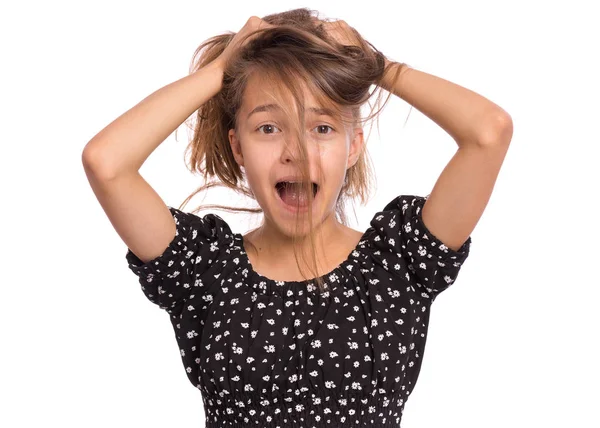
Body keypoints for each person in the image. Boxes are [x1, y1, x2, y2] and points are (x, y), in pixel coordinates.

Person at [82, 7, 512, 427]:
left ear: (354, 145)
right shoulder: (206, 268)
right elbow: (107, 162)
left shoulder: (397, 262)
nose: (297, 151)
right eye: (268, 128)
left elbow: (488, 132)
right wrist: (219, 71)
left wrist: (377, 67)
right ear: (238, 148)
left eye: (322, 128)